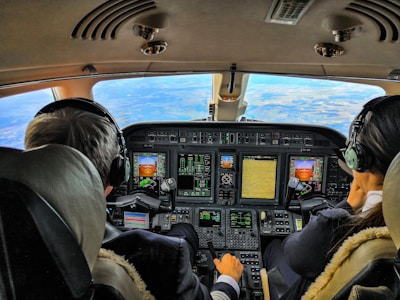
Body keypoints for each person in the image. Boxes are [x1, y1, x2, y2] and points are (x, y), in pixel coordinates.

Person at [24, 98, 244, 300]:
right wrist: (228, 280)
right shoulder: (159, 255)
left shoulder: (16, 245)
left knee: (184, 231)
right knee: (185, 234)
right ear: (118, 172)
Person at [262, 95, 400, 299]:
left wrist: (350, 203)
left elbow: (293, 253)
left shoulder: (335, 227)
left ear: (358, 158)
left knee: (274, 246)